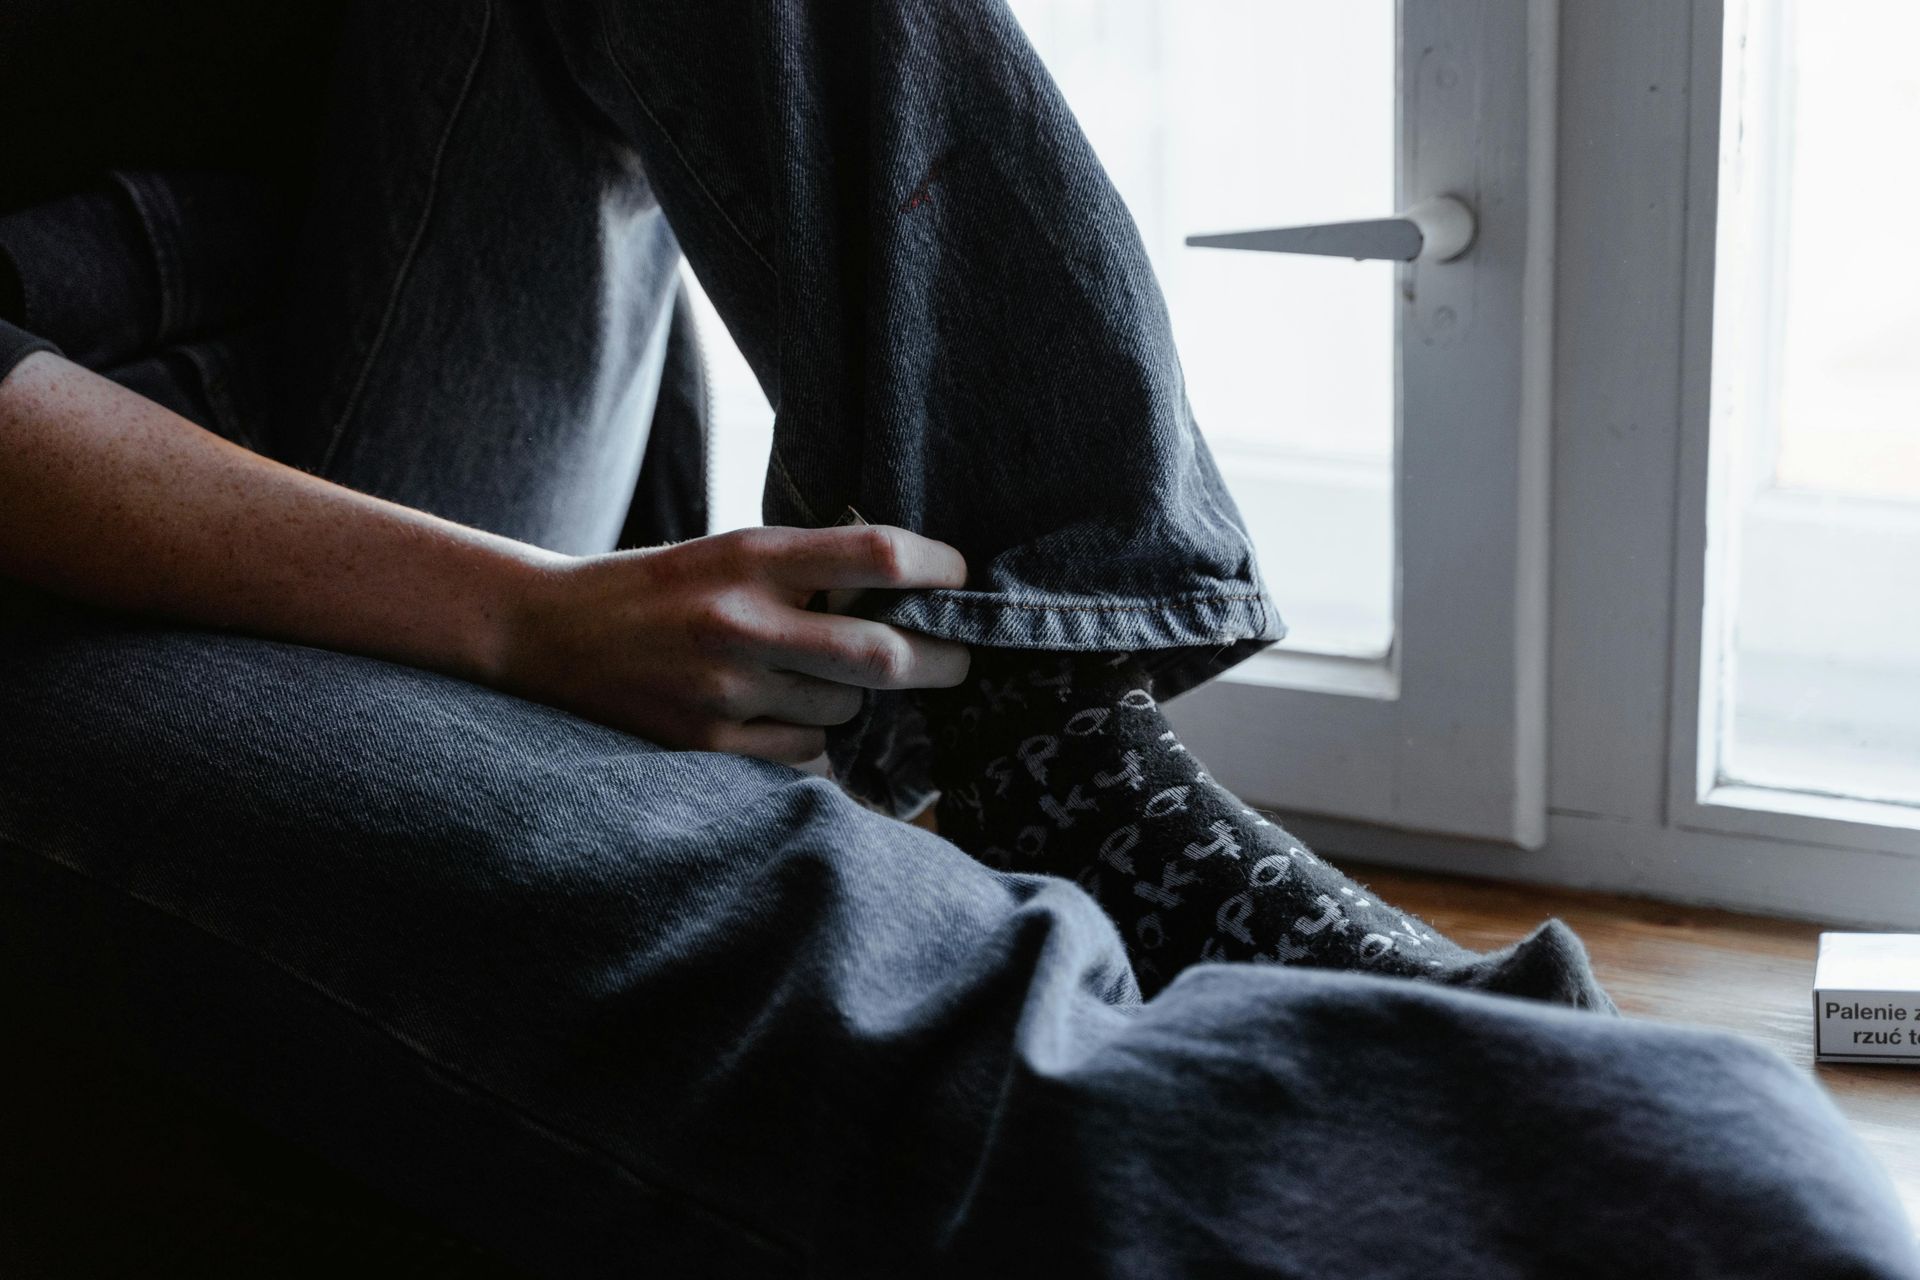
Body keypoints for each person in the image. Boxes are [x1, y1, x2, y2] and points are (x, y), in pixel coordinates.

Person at [1, 2, 1914, 1276]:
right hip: (57, 553)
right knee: (803, 950)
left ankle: (1047, 744)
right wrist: (520, 620)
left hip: (328, 356)